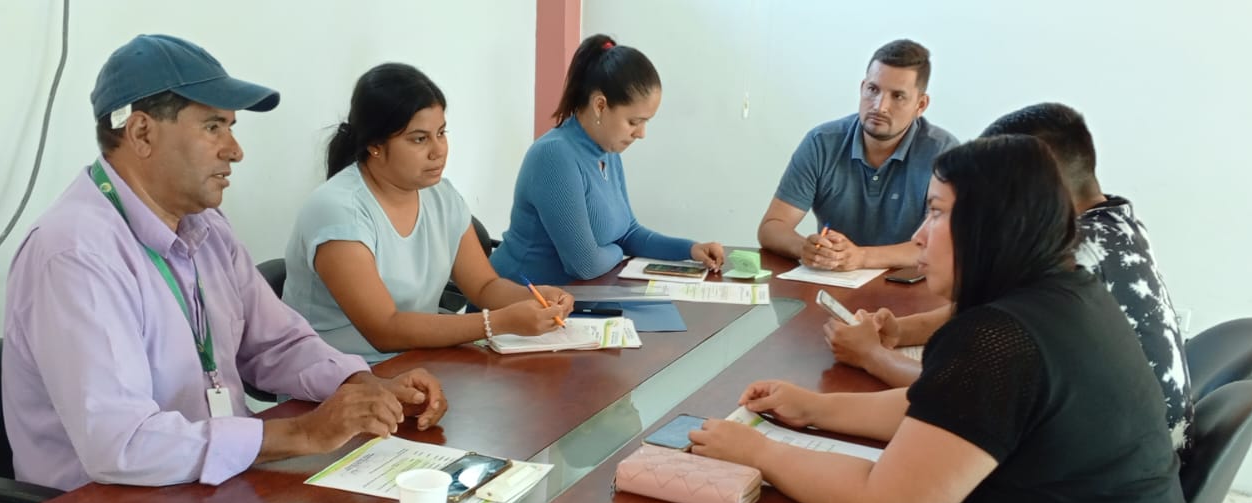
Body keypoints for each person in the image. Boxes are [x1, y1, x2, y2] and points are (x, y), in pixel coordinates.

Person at [691, 136, 1193, 503]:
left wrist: (759, 451)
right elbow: (942, 413)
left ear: (989, 224)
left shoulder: (1000, 338)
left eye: (935, 212)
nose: (919, 234)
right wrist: (813, 409)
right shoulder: (1066, 295)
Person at [3, 34, 446, 492]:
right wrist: (303, 433)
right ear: (141, 134)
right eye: (214, 127)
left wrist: (361, 385)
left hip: (208, 489)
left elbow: (276, 344)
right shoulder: (76, 254)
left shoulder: (206, 226)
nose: (235, 150)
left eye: (231, 128)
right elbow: (122, 444)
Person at [827, 102, 1193, 449]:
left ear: (1037, 187)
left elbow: (961, 395)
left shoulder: (1069, 259)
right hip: (1148, 441)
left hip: (1117, 449)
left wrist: (871, 356)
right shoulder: (1116, 225)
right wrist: (902, 331)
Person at [285, 63, 572, 363]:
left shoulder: (441, 196)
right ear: (375, 145)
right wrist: (497, 322)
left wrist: (536, 297)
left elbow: (484, 286)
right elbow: (384, 329)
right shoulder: (338, 212)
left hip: (415, 362)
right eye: (419, 139)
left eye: (441, 133)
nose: (439, 150)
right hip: (338, 374)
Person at [489, 33, 724, 283]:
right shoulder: (554, 156)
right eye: (634, 122)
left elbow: (629, 233)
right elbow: (585, 265)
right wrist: (619, 251)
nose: (641, 133)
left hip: (575, 295)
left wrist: (690, 250)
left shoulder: (608, 153)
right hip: (520, 297)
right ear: (600, 105)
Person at [757, 39, 958, 271]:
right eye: (873, 90)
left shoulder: (944, 154)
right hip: (833, 281)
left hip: (910, 284)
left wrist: (861, 257)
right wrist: (804, 248)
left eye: (898, 96)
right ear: (862, 87)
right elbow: (772, 227)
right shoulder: (822, 142)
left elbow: (944, 245)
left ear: (920, 105)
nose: (879, 106)